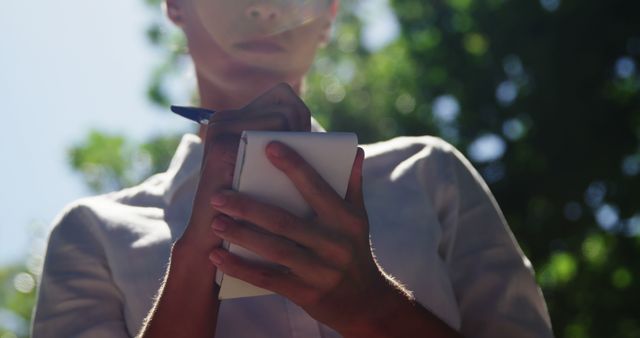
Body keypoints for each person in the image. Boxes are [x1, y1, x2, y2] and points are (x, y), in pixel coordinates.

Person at [32, 0, 554, 337]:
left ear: (330, 14)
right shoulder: (90, 235)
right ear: (175, 5)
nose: (263, 6)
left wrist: (372, 307)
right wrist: (194, 262)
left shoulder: (431, 176)